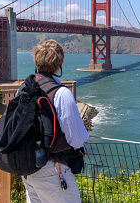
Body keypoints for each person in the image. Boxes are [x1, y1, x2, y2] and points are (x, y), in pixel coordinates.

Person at [20, 39, 89, 203]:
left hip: (28, 168)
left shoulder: (22, 89)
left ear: (35, 61)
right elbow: (77, 138)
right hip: (53, 170)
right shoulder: (61, 94)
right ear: (61, 64)